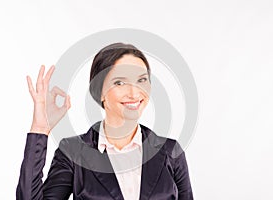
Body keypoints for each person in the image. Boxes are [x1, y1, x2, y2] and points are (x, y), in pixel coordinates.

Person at [16, 43, 194, 200]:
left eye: (141, 80)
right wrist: (40, 128)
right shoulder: (73, 152)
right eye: (120, 82)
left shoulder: (171, 152)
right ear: (99, 91)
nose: (134, 93)